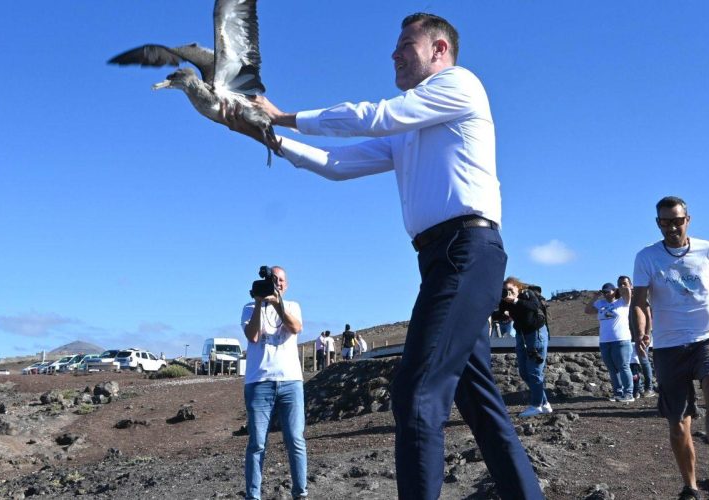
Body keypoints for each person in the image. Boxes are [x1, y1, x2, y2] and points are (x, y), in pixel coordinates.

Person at [222, 13, 543, 499]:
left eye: (405, 45)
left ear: (439, 50)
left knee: (415, 396)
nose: (393, 54)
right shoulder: (411, 126)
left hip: (467, 252)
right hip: (445, 259)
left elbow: (375, 115)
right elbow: (336, 164)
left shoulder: (460, 84)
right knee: (479, 403)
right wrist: (269, 137)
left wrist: (282, 116)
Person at [631, 196, 709, 500]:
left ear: (688, 219)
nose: (671, 227)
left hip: (708, 337)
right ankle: (690, 486)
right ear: (658, 223)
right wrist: (640, 332)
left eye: (677, 220)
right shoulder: (646, 257)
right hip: (669, 345)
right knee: (678, 422)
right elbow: (640, 302)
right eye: (665, 222)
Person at [240, 266, 307, 500]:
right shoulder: (249, 308)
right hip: (259, 383)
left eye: (280, 280)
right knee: (257, 443)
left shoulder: (293, 306)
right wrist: (259, 303)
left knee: (295, 440)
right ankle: (253, 496)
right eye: (273, 280)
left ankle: (300, 493)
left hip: (290, 382)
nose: (276, 283)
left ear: (286, 285)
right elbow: (253, 336)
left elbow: (295, 328)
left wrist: (277, 303)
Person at [498, 276, 552, 417]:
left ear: (518, 287)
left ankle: (536, 405)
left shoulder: (527, 294)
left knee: (534, 371)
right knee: (524, 372)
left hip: (536, 334)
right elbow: (500, 314)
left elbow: (534, 307)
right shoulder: (505, 300)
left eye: (511, 289)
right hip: (521, 335)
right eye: (505, 290)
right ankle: (544, 404)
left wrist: (515, 301)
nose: (508, 292)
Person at [586, 282, 635, 403]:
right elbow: (587, 310)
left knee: (623, 366)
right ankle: (617, 393)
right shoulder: (600, 304)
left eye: (608, 291)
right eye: (604, 292)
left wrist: (621, 287)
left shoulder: (622, 302)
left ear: (614, 291)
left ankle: (628, 393)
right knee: (612, 368)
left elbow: (628, 292)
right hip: (605, 341)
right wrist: (595, 297)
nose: (606, 294)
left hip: (621, 340)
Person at [621, 275, 657, 397]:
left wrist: (647, 333)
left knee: (643, 360)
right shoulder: (622, 301)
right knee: (632, 364)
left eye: (625, 284)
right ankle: (638, 388)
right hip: (628, 336)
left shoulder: (639, 298)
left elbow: (648, 315)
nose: (622, 286)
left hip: (642, 335)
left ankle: (649, 387)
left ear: (630, 285)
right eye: (620, 284)